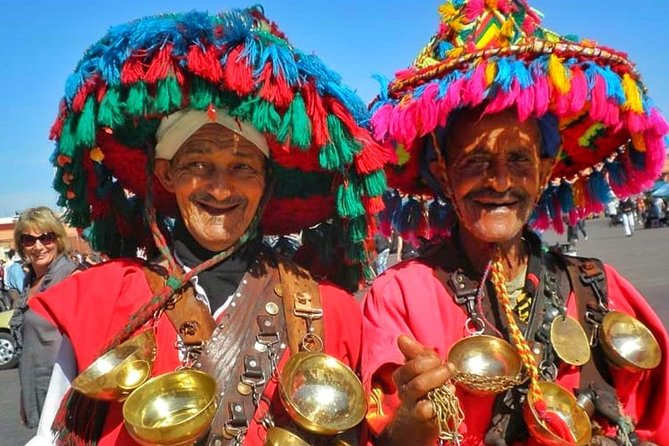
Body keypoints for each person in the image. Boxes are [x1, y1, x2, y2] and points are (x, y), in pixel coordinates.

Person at [27, 6, 390, 446]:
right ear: (166, 175)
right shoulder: (102, 302)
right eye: (198, 164)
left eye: (243, 167)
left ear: (266, 184)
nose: (220, 189)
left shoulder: (332, 311)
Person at [363, 1, 669, 445]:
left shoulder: (600, 287)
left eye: (519, 160)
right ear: (444, 172)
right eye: (476, 161)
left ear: (545, 171)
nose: (500, 181)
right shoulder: (400, 297)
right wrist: (414, 421)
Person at [8, 207, 81, 429]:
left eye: (46, 238)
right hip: (38, 387)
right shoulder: (29, 281)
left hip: (66, 391)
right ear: (22, 246)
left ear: (58, 240)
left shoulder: (72, 277)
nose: (38, 246)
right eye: (29, 240)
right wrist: (25, 394)